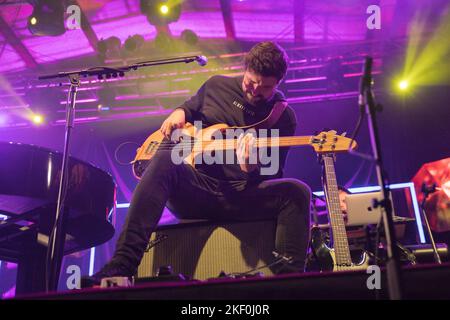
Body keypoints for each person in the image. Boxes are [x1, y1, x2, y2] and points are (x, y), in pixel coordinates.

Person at [82, 41, 311, 287]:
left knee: (297, 192)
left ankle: (289, 281)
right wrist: (178, 114)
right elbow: (189, 108)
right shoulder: (216, 85)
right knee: (166, 155)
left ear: (278, 83)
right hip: (197, 190)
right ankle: (121, 266)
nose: (255, 91)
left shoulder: (282, 117)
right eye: (250, 82)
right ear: (244, 70)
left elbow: (274, 173)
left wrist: (251, 167)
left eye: (265, 87)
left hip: (242, 195)